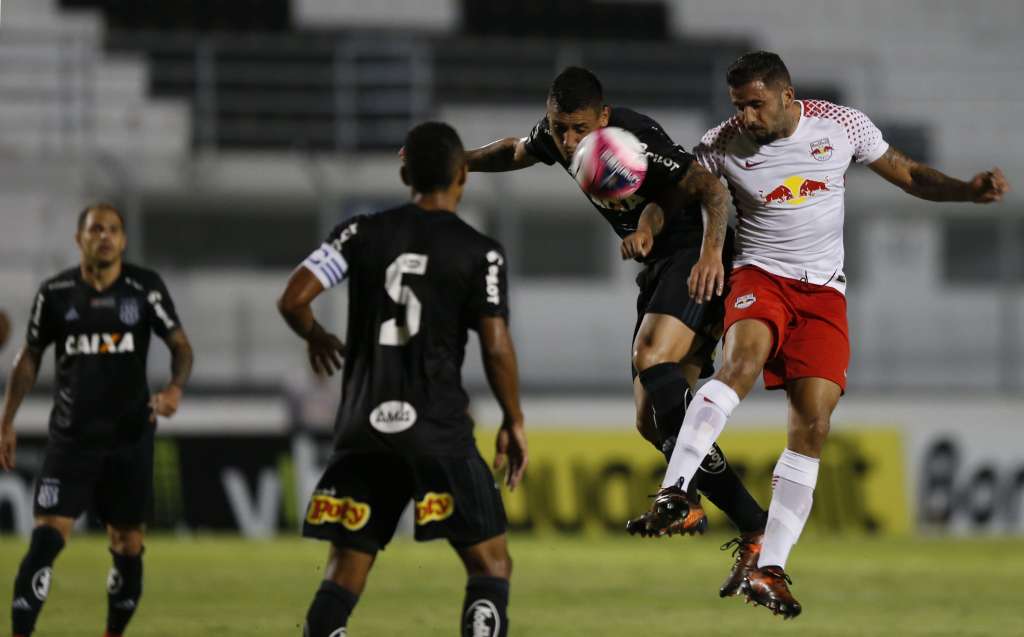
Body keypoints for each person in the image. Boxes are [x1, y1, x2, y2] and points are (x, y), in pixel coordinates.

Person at [633, 51, 1010, 618]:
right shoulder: (722, 142)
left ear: (787, 96)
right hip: (760, 276)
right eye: (738, 106)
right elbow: (675, 196)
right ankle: (676, 489)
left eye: (755, 104)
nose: (745, 117)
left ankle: (770, 568)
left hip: (824, 294)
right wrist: (645, 225)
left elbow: (908, 173)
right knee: (740, 363)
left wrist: (966, 190)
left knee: (813, 424)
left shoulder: (842, 126)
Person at [459, 66, 767, 593]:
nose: (570, 140)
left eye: (580, 128)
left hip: (693, 259)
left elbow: (710, 191)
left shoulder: (636, 136)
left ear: (603, 117)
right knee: (652, 421)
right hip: (656, 272)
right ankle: (743, 524)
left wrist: (711, 254)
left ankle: (693, 500)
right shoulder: (557, 141)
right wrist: (455, 163)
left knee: (652, 357)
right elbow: (513, 151)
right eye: (559, 129)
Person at [278, 121, 527, 637]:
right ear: (463, 175)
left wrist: (316, 336)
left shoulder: (359, 232)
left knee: (345, 571)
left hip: (363, 428)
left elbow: (293, 298)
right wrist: (513, 419)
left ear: (403, 171)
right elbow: (496, 345)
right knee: (491, 565)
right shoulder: (480, 252)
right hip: (436, 428)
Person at [1, 203, 193, 637]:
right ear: (78, 239)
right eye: (95, 229)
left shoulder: (145, 288)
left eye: (113, 230)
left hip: (129, 439)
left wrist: (175, 389)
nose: (104, 236)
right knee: (45, 540)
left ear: (123, 240)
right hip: (71, 439)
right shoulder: (55, 293)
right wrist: (6, 421)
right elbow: (30, 356)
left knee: (127, 546)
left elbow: (181, 346)